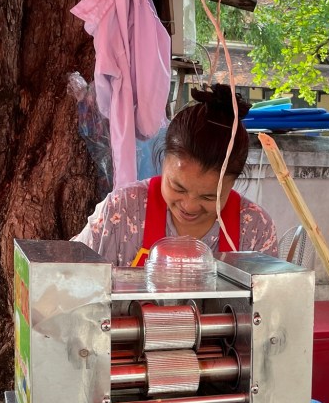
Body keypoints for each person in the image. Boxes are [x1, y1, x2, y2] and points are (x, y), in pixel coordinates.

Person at [73, 84, 277, 267]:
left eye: (209, 197)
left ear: (233, 182)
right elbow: (73, 280)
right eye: (178, 188)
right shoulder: (122, 211)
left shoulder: (254, 228)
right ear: (163, 160)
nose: (189, 206)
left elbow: (268, 297)